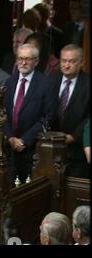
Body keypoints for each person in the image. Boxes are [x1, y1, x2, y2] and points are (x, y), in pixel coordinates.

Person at [4, 44, 56, 183]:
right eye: (20, 58)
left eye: (28, 59)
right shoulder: (9, 82)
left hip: (33, 150)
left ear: (36, 61)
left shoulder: (46, 83)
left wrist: (25, 140)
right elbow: (3, 113)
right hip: (10, 149)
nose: (23, 62)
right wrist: (10, 138)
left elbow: (48, 117)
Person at [51, 44, 90, 178]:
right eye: (63, 61)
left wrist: (73, 136)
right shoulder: (51, 80)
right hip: (51, 149)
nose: (66, 65)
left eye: (71, 61)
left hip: (77, 152)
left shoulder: (87, 84)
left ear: (81, 63)